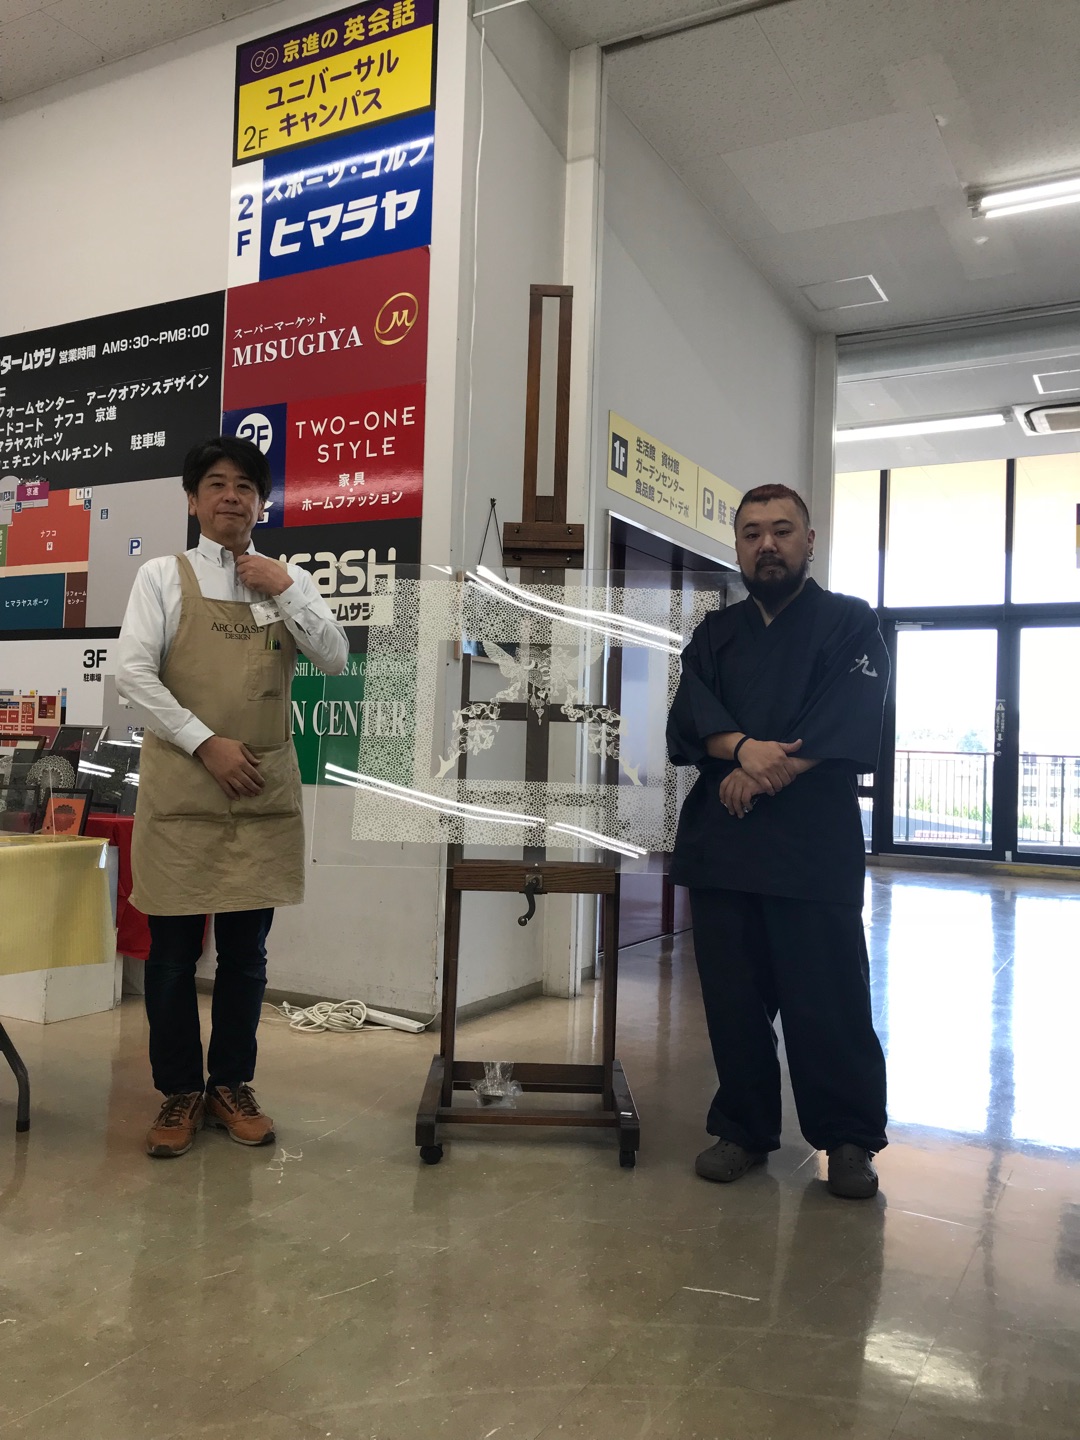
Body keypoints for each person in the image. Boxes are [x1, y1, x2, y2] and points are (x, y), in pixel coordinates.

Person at [116, 436, 348, 1158]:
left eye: (245, 486)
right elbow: (132, 675)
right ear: (193, 500)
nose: (231, 497)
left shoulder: (285, 580)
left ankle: (231, 1085)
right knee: (171, 955)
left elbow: (335, 657)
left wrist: (287, 588)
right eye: (216, 484)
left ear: (260, 503)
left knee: (247, 955)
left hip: (259, 793)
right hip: (184, 790)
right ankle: (179, 1091)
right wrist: (205, 743)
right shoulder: (163, 575)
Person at [667, 483, 889, 1200]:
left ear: (809, 540)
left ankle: (849, 1138)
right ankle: (743, 1127)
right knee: (733, 1001)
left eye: (782, 530)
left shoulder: (850, 622)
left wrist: (767, 771)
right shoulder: (715, 634)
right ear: (737, 546)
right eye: (752, 533)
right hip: (725, 843)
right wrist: (742, 750)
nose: (767, 544)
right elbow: (689, 717)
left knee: (829, 997)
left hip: (811, 844)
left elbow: (850, 712)